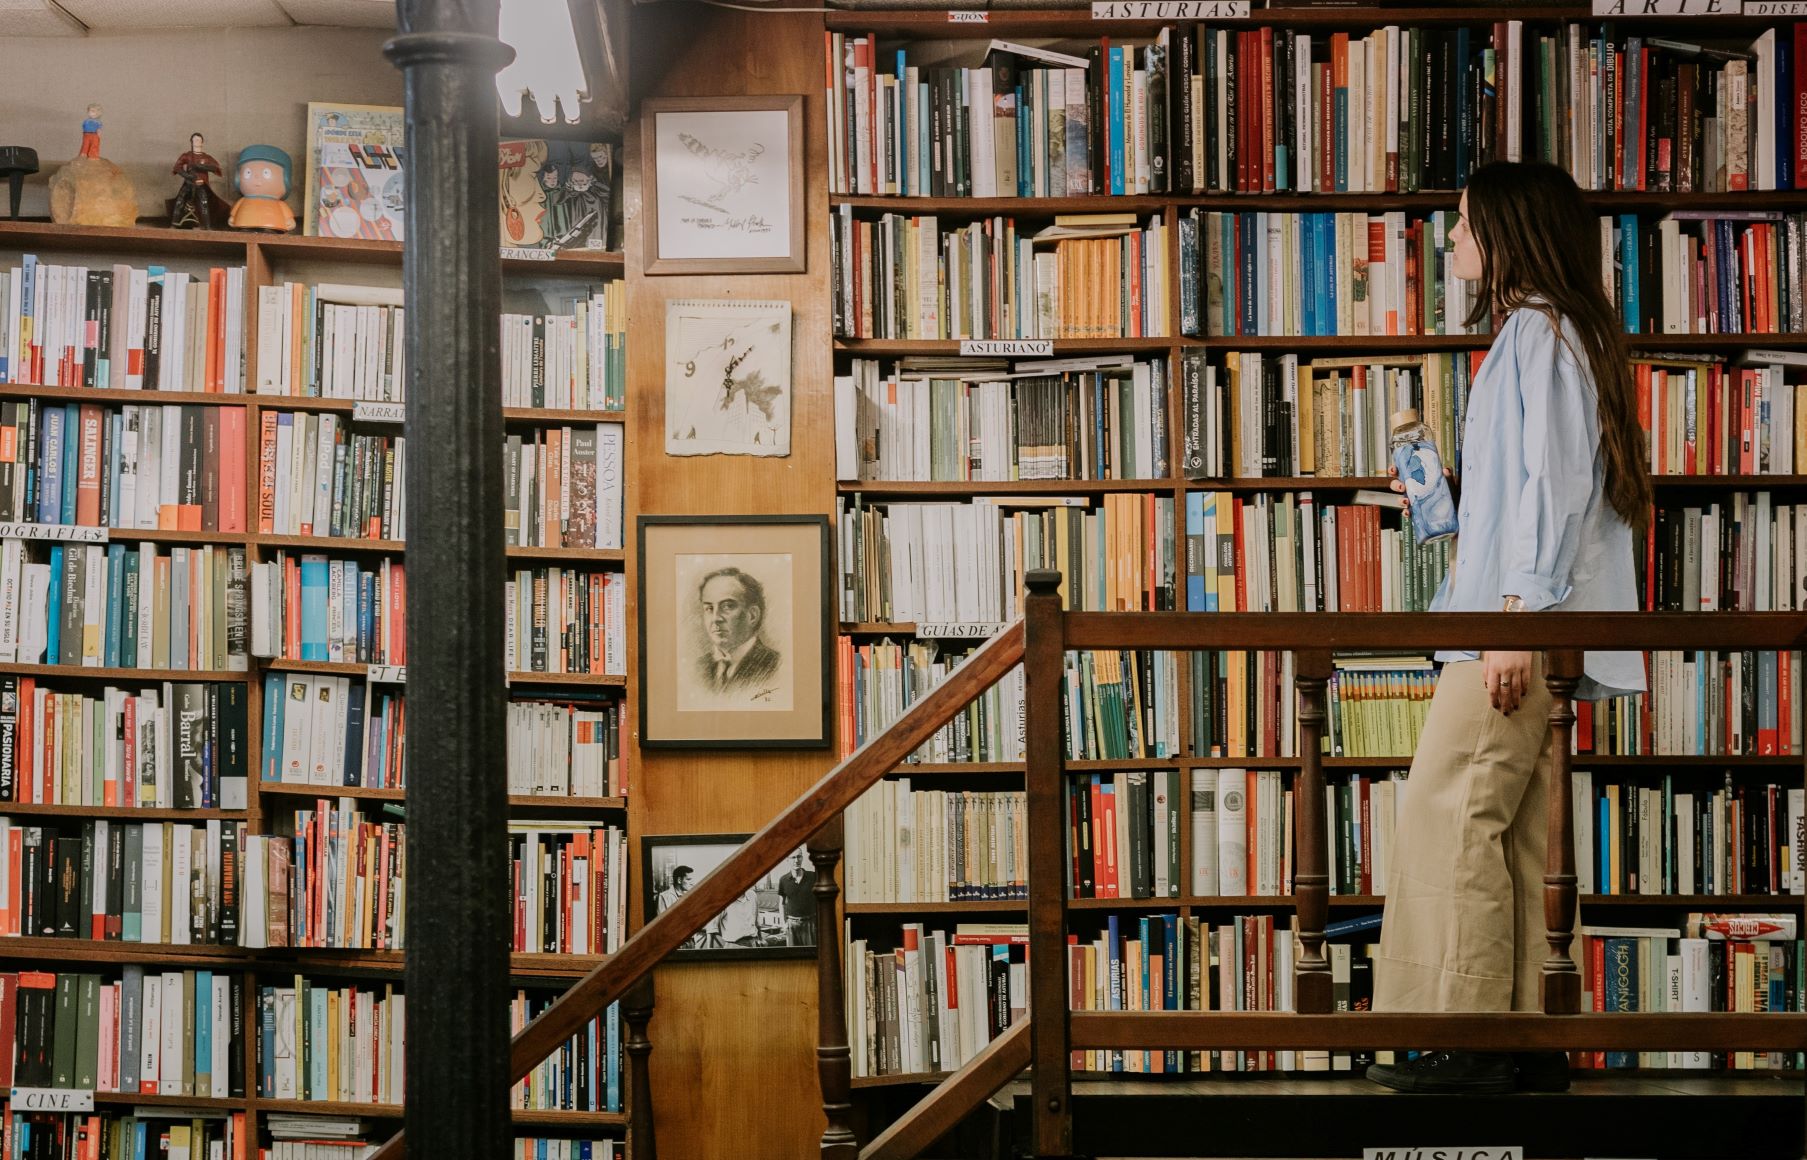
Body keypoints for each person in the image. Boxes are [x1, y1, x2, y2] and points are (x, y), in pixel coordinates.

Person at [1364, 161, 1650, 1096]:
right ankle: (1522, 1042)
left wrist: (1515, 615)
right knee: (1515, 832)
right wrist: (1445, 502)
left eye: (1460, 226)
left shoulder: (1535, 332)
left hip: (1516, 622)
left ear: (1504, 233)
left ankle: (1467, 1036)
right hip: (1521, 612)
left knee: (1447, 818)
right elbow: (1527, 493)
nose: (1450, 243)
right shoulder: (1554, 335)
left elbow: (1555, 490)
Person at [694, 567, 782, 697]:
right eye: (709, 608)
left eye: (727, 606)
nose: (715, 618)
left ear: (752, 615)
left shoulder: (777, 666)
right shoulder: (697, 668)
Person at [170, 133, 226, 230]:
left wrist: (200, 166)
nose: (196, 141)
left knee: (204, 203)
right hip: (188, 184)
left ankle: (207, 226)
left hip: (201, 184)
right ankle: (174, 224)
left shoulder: (206, 157)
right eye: (194, 140)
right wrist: (187, 175)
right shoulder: (187, 155)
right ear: (191, 142)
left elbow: (215, 167)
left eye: (198, 140)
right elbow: (177, 167)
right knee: (180, 201)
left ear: (202, 142)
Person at [776, 851, 815, 946]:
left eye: (799, 857)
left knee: (811, 954)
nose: (796, 860)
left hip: (810, 923)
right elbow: (781, 903)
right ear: (787, 860)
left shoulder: (813, 876)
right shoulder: (783, 880)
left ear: (802, 858)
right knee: (792, 955)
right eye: (793, 857)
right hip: (792, 925)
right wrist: (783, 923)